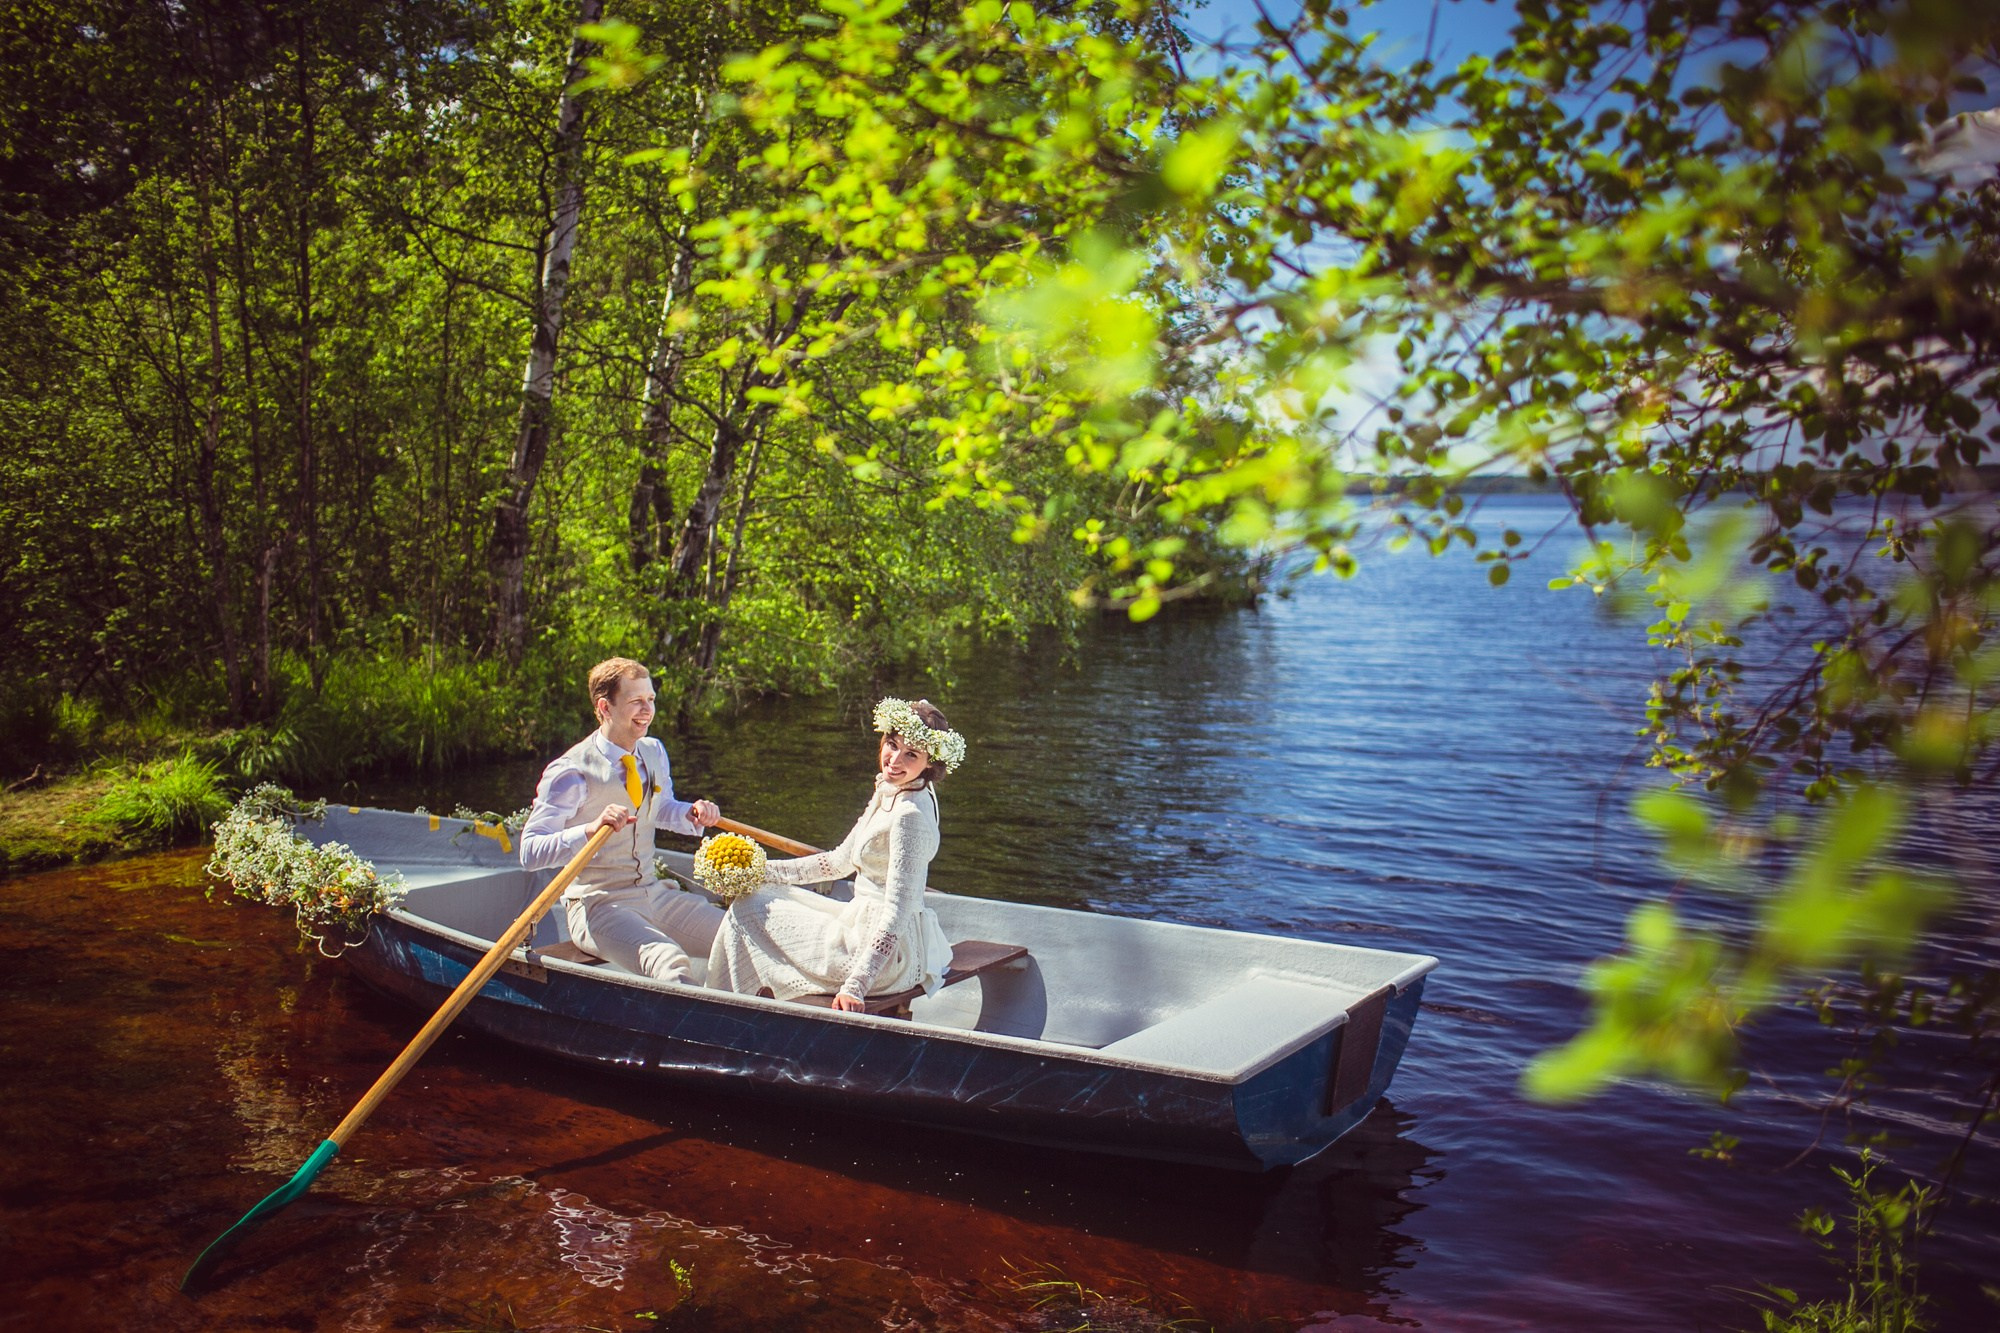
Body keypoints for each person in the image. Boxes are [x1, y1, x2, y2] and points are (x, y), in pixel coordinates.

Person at [707, 697, 964, 1011]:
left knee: (747, 908)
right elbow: (838, 862)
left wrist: (856, 986)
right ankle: (734, 1004)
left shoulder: (909, 815)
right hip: (864, 923)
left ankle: (723, 1009)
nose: (894, 760)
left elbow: (897, 912)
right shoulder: (899, 787)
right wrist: (756, 870)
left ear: (930, 763)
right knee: (757, 892)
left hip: (884, 955)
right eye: (892, 745)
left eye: (911, 754)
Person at [519, 657, 724, 982]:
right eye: (636, 701)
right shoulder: (570, 772)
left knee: (735, 934)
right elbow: (530, 852)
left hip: (652, 892)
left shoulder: (653, 751)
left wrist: (690, 812)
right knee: (668, 960)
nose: (647, 710)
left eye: (651, 700)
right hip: (598, 906)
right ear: (605, 707)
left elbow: (660, 808)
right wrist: (589, 830)